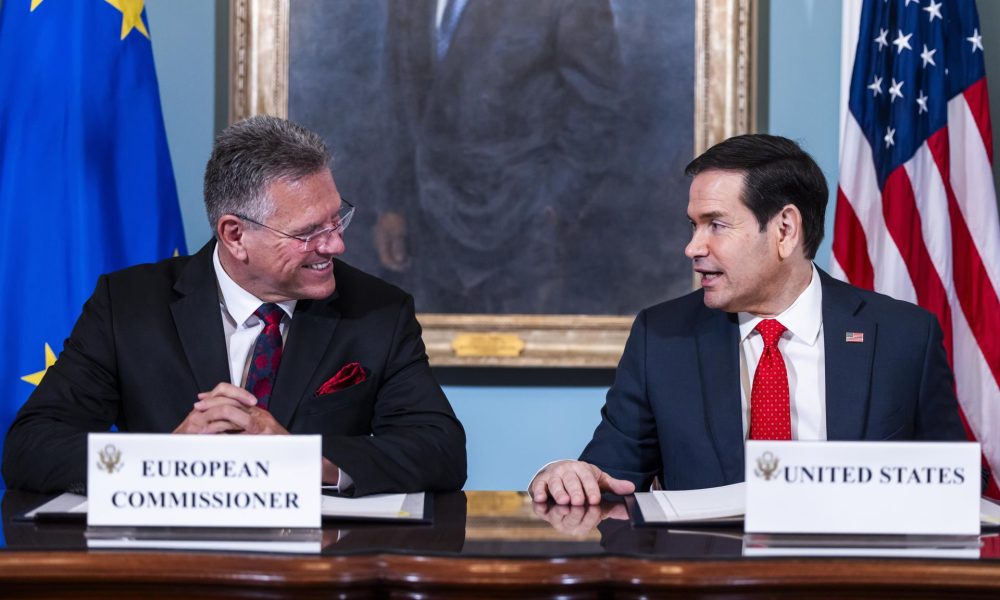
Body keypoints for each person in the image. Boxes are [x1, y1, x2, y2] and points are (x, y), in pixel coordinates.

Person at [3, 116, 467, 496]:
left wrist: (302, 458)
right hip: (166, 571)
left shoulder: (377, 312)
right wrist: (163, 458)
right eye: (309, 233)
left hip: (316, 574)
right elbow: (30, 448)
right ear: (235, 236)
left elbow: (441, 450)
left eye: (337, 218)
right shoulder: (128, 307)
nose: (337, 244)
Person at [530, 134, 966, 505]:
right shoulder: (661, 338)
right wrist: (565, 474)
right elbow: (609, 475)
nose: (693, 247)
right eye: (693, 226)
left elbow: (956, 485)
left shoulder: (903, 336)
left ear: (784, 230)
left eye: (715, 225)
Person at [376, 0, 622, 313]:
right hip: (424, 231)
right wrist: (392, 205)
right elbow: (395, 99)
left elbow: (597, 112)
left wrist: (553, 209)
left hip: (522, 230)